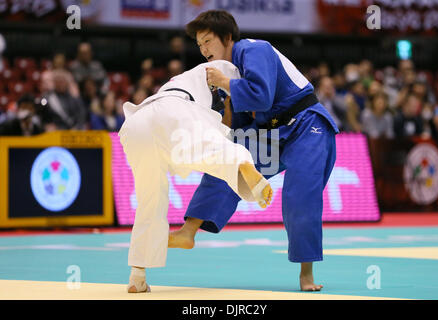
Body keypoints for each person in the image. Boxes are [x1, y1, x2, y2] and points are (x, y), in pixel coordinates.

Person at [169, 10, 339, 292]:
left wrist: (224, 84)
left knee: (300, 194)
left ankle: (306, 273)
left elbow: (261, 97)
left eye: (208, 41)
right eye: (199, 45)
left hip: (306, 126)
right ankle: (188, 232)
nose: (204, 50)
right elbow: (241, 124)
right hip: (271, 134)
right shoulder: (226, 76)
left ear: (227, 38)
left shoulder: (253, 49)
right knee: (228, 163)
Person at [119, 59, 273, 293]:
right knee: (210, 150)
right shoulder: (221, 65)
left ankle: (137, 276)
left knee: (150, 198)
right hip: (176, 111)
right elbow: (251, 89)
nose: (205, 49)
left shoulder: (183, 80)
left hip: (137, 122)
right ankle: (243, 164)